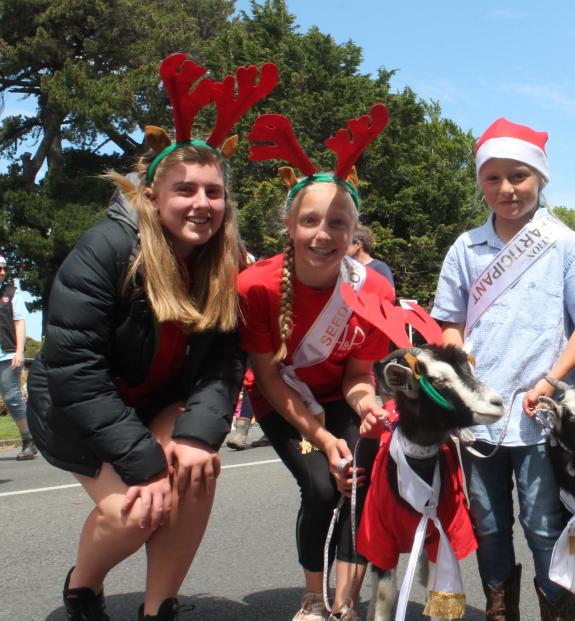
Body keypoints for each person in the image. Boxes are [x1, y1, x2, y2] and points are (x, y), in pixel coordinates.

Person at [25, 53, 268, 621]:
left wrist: (198, 436)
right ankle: (83, 588)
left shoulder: (226, 262)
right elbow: (74, 370)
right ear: (153, 196)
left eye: (214, 191)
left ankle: (159, 609)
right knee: (137, 510)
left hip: (159, 401)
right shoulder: (106, 251)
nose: (202, 204)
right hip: (80, 406)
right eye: (185, 190)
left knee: (198, 469)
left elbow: (226, 359)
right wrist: (144, 463)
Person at [431, 117, 575, 620]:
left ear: (541, 179)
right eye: (494, 178)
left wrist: (551, 381)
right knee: (487, 523)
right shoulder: (465, 248)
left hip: (541, 412)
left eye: (519, 176)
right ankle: (499, 612)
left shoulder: (565, 244)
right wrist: (456, 357)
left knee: (542, 522)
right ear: (481, 183)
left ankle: (558, 611)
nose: (507, 189)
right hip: (482, 416)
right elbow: (448, 321)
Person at [239, 107, 392, 621]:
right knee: (323, 484)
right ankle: (312, 595)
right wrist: (325, 440)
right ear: (289, 225)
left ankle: (344, 602)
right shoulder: (256, 286)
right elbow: (266, 377)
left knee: (360, 479)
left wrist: (367, 404)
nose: (323, 234)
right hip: (281, 401)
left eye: (337, 223)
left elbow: (357, 375)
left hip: (338, 396)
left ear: (354, 233)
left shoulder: (373, 287)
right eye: (310, 221)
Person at [0, 254, 36, 461]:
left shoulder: (12, 294)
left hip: (8, 354)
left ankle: (29, 440)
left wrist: (20, 351)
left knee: (12, 398)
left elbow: (19, 323)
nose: (3, 272)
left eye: (4, 268)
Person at [348, 224, 395, 290]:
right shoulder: (347, 268)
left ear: (357, 245)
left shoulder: (380, 268)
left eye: (347, 243)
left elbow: (390, 296)